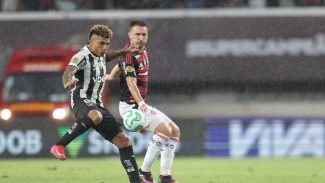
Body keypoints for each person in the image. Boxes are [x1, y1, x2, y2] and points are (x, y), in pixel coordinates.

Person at [50, 24, 144, 183]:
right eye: (101, 43)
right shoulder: (81, 56)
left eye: (107, 44)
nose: (105, 47)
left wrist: (126, 51)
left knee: (124, 141)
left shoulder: (101, 54)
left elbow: (108, 56)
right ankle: (59, 145)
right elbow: (69, 71)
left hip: (97, 104)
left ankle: (136, 180)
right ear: (90, 41)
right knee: (95, 115)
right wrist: (67, 82)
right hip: (81, 100)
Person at [107, 20, 180, 183]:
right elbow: (131, 83)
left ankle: (165, 176)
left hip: (140, 103)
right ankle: (144, 173)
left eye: (144, 35)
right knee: (164, 130)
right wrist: (141, 104)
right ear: (130, 35)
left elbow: (120, 64)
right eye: (137, 34)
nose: (140, 38)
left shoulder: (141, 50)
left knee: (174, 130)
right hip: (131, 107)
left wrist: (111, 76)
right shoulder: (129, 56)